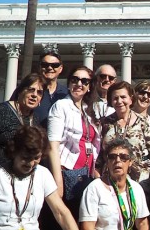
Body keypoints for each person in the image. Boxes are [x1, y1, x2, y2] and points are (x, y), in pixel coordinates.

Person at [0, 125, 78, 230]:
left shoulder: (43, 174)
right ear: (14, 152)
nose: (30, 163)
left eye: (36, 158)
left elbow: (61, 212)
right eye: (25, 157)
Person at [47, 66, 100, 219]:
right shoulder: (61, 106)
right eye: (75, 80)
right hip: (67, 172)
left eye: (85, 81)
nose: (79, 84)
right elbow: (53, 145)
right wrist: (58, 180)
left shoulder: (89, 110)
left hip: (86, 174)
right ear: (69, 83)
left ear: (89, 87)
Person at [79, 138, 150, 230]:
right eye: (112, 157)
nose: (117, 160)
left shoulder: (136, 188)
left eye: (123, 157)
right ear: (107, 162)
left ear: (130, 162)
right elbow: (87, 227)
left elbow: (143, 224)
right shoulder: (94, 189)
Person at [100, 81, 150, 194]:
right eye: (115, 98)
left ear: (130, 99)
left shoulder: (143, 122)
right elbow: (100, 153)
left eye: (123, 97)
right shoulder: (105, 123)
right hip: (111, 180)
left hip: (140, 182)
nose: (119, 101)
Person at [34, 51, 68, 128]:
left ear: (60, 68)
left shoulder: (67, 94)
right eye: (45, 65)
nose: (49, 68)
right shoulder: (28, 91)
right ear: (39, 67)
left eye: (55, 65)